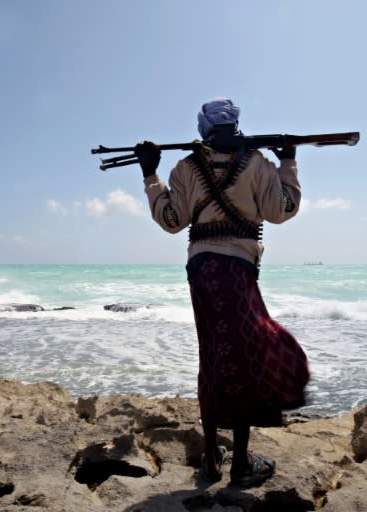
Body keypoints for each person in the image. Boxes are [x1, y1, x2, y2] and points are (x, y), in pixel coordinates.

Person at [135, 98, 309, 488]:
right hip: (239, 271)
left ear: (203, 129)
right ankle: (241, 465)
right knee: (245, 357)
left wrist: (150, 174)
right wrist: (289, 162)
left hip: (202, 272)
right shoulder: (259, 164)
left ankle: (212, 459)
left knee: (212, 357)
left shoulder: (184, 168)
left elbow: (171, 221)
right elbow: (282, 210)